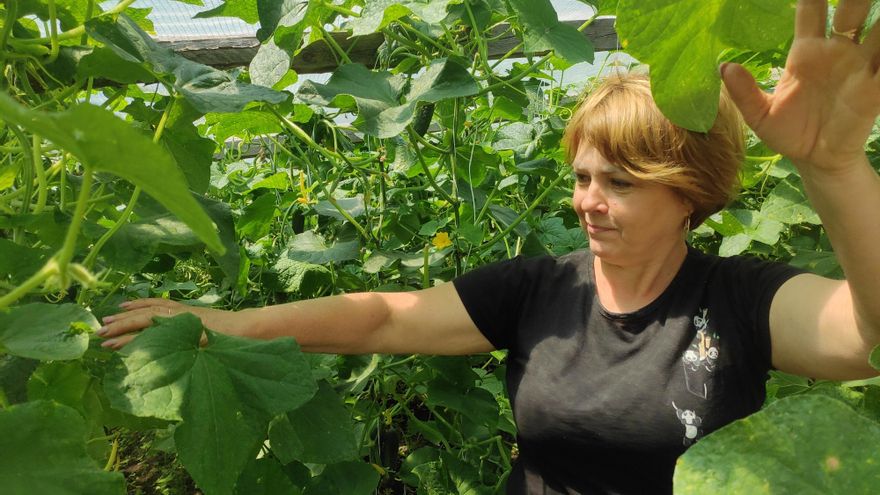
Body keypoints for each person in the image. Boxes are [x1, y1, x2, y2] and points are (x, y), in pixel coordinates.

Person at [97, 0, 880, 493]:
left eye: (622, 181)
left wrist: (837, 171)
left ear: (691, 190)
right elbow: (381, 317)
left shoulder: (739, 300)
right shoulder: (542, 289)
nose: (588, 201)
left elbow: (869, 337)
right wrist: (219, 321)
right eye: (582, 176)